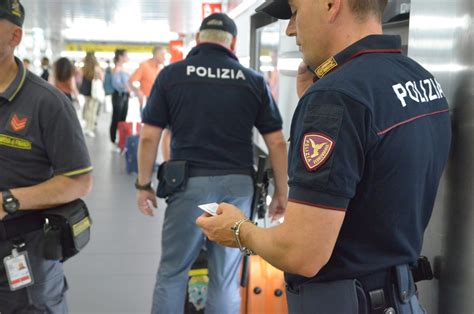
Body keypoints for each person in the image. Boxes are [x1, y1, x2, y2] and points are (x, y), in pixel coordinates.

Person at [197, 1, 452, 313]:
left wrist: (239, 230)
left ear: (331, 5)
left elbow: (302, 254)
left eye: (294, 11)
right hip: (401, 299)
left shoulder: (336, 97)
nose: (290, 29)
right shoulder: (420, 79)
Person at [136, 13, 288, 314]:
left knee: (173, 272)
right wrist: (282, 193)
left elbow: (149, 137)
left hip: (189, 185)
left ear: (197, 40)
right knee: (226, 277)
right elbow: (277, 143)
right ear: (232, 43)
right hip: (238, 188)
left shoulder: (171, 75)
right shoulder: (252, 80)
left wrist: (143, 185)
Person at [0, 0, 93, 312]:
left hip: (24, 253)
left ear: (14, 37)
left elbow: (79, 181)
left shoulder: (48, 103)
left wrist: (8, 201)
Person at [80, 52, 103, 138]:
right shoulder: (96, 68)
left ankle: (86, 126)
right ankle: (90, 128)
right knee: (93, 110)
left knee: (87, 109)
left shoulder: (84, 68)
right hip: (95, 91)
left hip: (86, 91)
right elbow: (102, 78)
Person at [110, 49, 130, 145]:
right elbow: (116, 84)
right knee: (116, 118)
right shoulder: (117, 69)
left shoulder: (123, 69)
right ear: (120, 57)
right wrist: (125, 87)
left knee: (123, 119)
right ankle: (114, 140)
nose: (127, 57)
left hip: (125, 95)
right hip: (118, 95)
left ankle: (121, 141)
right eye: (126, 55)